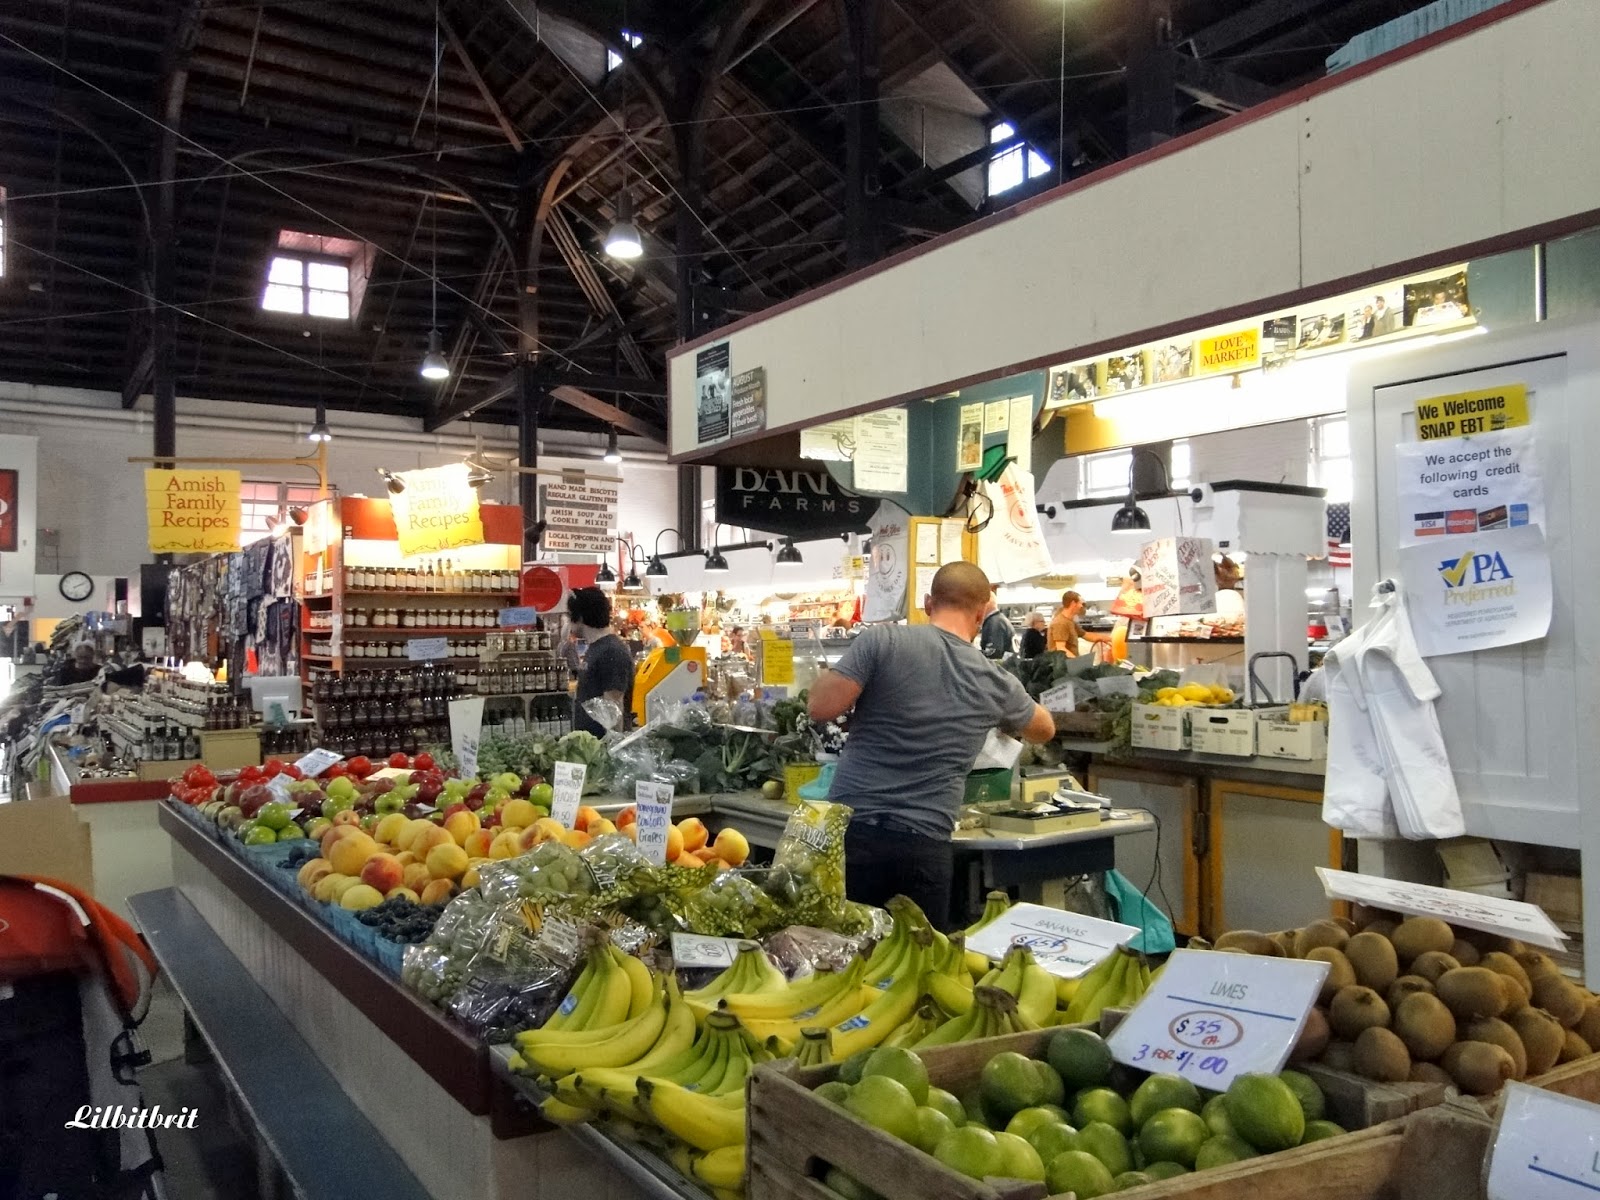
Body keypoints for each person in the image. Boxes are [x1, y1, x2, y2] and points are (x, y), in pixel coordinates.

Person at [807, 562, 1055, 928]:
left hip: (852, 834)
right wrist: (1001, 715)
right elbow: (1044, 729)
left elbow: (820, 707)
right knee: (918, 968)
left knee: (844, 962)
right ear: (983, 610)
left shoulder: (883, 641)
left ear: (927, 602)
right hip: (924, 845)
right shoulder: (994, 680)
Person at [565, 587, 634, 737]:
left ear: (580, 617)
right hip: (590, 744)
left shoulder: (611, 651)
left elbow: (614, 704)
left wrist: (611, 751)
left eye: (570, 615)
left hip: (601, 747)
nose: (567, 621)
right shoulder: (596, 647)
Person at [978, 591, 1015, 660]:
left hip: (1001, 667)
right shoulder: (1000, 619)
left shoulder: (994, 623)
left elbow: (994, 653)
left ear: (986, 604)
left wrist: (972, 654)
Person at [1047, 591, 1085, 655]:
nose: (1081, 606)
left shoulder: (1070, 621)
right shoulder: (1060, 623)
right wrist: (1077, 662)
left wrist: (1106, 639)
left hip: (1069, 663)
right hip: (1063, 664)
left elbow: (1086, 635)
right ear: (1073, 603)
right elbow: (1061, 649)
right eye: (1080, 603)